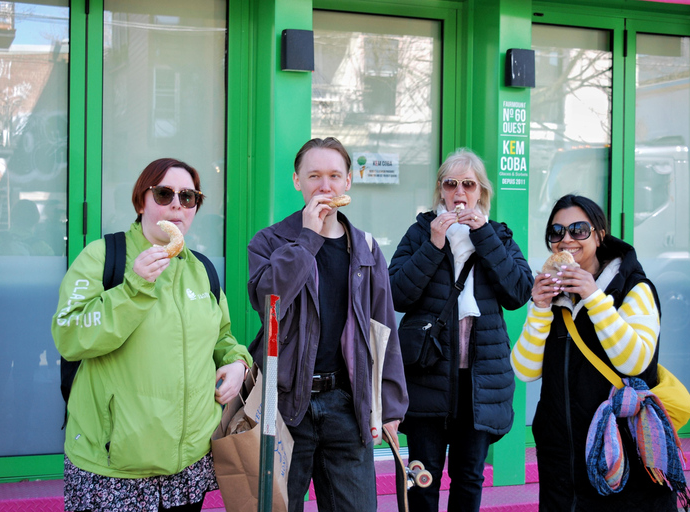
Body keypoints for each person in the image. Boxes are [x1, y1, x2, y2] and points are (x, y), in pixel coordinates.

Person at [52, 158, 252, 512]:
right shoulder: (103, 257)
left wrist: (237, 362)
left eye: (188, 197)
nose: (177, 204)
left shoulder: (202, 269)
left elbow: (222, 338)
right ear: (141, 201)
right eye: (164, 193)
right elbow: (69, 337)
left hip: (188, 465)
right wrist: (134, 288)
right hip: (114, 467)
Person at [247, 137, 408, 512]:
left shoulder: (366, 248)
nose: (325, 185)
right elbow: (268, 303)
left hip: (347, 405)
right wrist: (307, 238)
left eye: (335, 175)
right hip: (285, 405)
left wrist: (391, 404)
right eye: (314, 175)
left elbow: (384, 328)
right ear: (296, 181)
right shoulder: (270, 242)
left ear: (348, 182)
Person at [510, 194, 678, 511]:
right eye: (556, 232)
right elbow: (525, 370)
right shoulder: (555, 296)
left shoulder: (635, 289)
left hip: (624, 457)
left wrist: (594, 297)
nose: (566, 240)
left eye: (578, 230)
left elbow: (636, 361)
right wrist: (539, 309)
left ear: (599, 235)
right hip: (562, 464)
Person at [388, 148, 533, 511]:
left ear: (481, 193)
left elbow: (518, 291)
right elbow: (395, 294)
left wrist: (484, 237)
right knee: (423, 478)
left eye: (468, 184)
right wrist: (434, 246)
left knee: (469, 477)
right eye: (451, 183)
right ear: (441, 190)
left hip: (480, 382)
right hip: (427, 377)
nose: (459, 192)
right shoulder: (421, 231)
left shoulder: (497, 235)